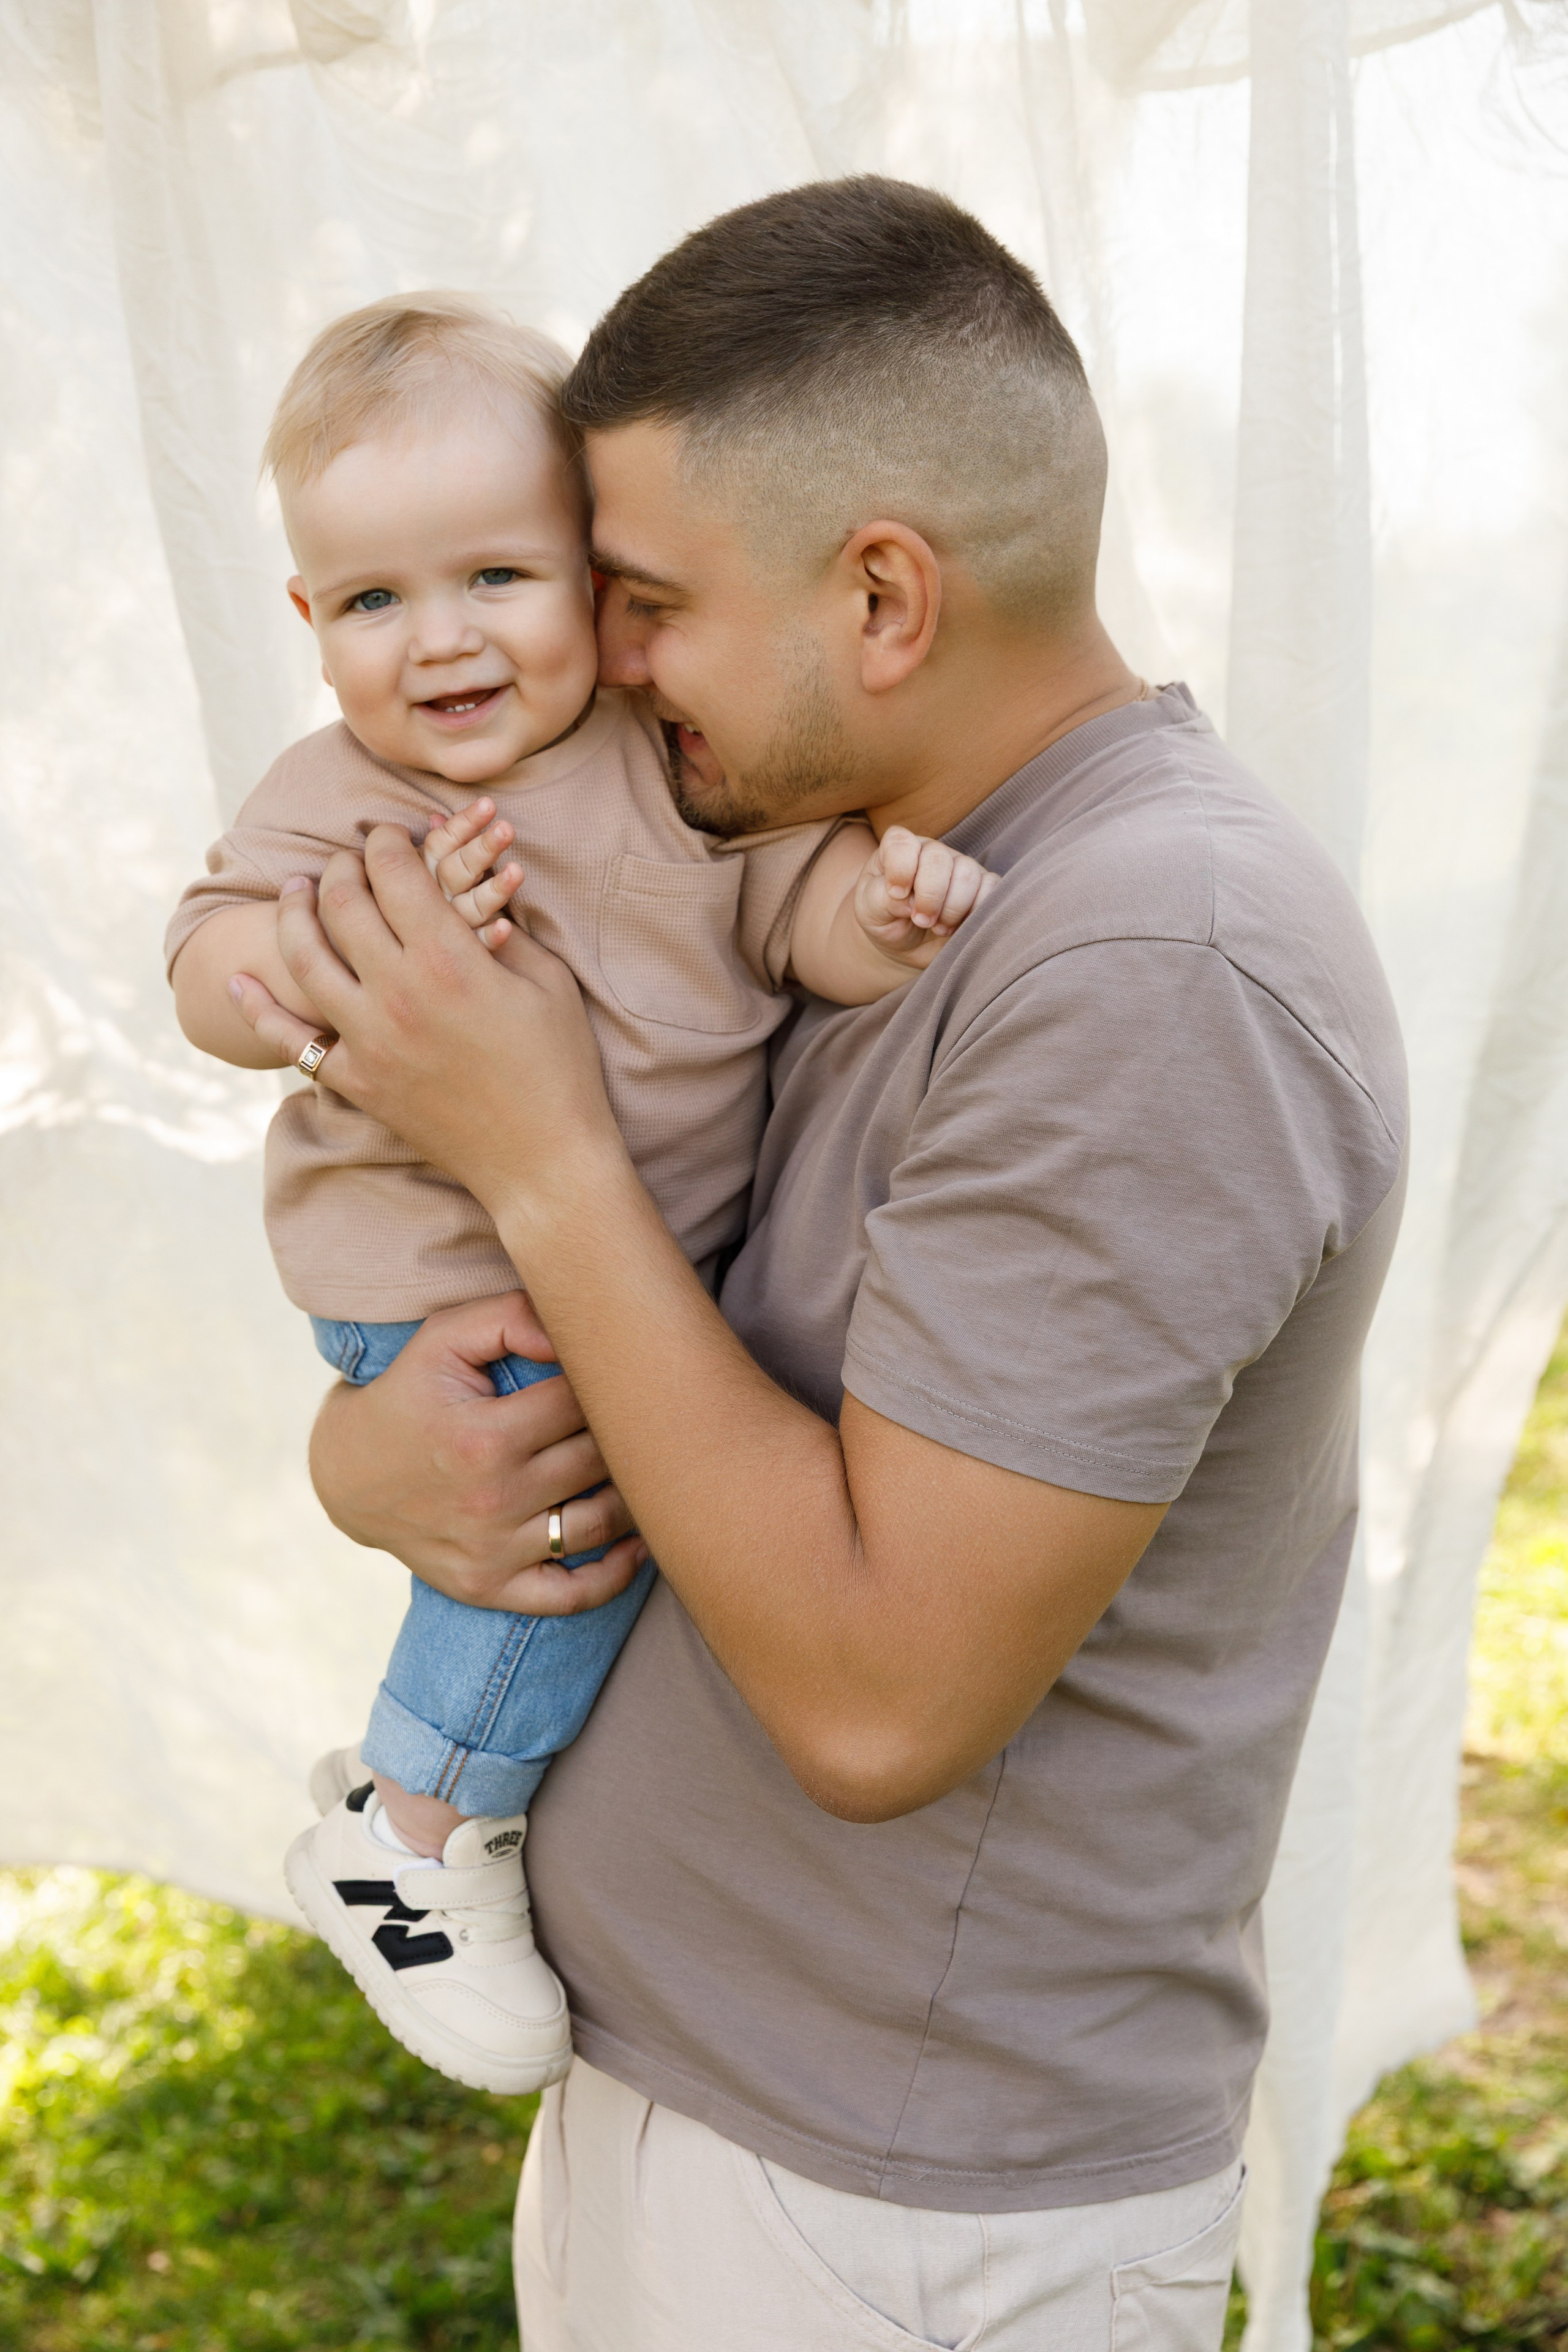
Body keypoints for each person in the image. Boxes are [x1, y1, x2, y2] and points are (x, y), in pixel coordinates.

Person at [228, 178, 1408, 2352]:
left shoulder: (1160, 964)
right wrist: (370, 1454)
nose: (600, 660)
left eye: (642, 598)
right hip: (735, 2116)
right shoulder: (863, 877)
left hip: (895, 2214)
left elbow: (882, 1701)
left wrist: (541, 1141)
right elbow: (715, 1352)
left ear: (881, 594)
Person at [165, 290, 997, 2102]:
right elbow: (206, 960)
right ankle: (418, 1823)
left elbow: (793, 913)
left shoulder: (665, 763)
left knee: (622, 1510)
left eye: (495, 580)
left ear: (595, 591)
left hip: (604, 1269)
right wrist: (313, 970)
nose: (438, 642)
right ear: (311, 626)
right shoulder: (340, 797)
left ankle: (450, 1805)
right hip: (443, 1271)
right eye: (374, 601)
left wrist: (887, 908)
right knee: (567, 1539)